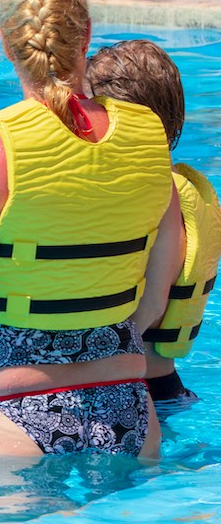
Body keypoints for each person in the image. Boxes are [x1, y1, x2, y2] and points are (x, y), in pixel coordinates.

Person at [0, 0, 182, 458]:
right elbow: (155, 297)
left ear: (5, 41)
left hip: (13, 407)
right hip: (127, 404)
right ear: (87, 33)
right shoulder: (149, 135)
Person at [86, 40, 221, 409]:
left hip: (138, 388)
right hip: (159, 384)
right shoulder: (174, 184)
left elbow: (151, 306)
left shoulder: (159, 194)